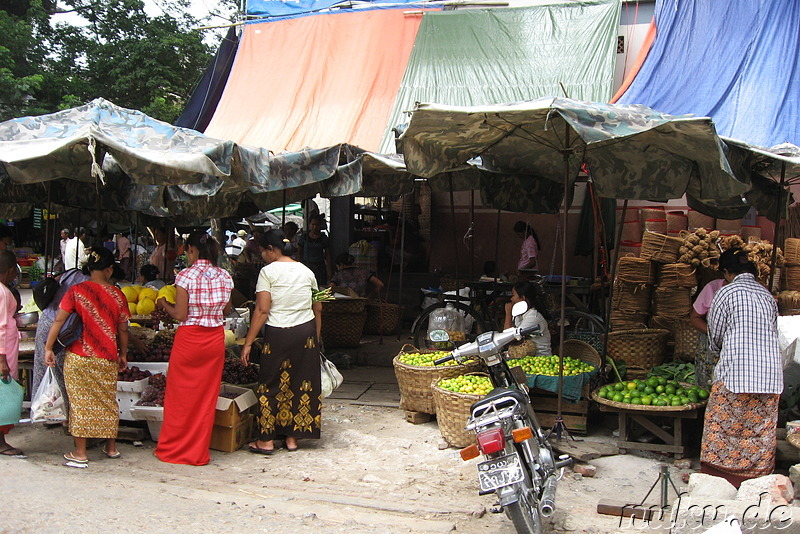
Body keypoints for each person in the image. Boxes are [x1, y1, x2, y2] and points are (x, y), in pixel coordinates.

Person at [700, 247, 783, 488]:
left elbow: (715, 335)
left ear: (726, 272)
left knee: (723, 425)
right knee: (759, 429)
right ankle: (756, 478)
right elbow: (773, 332)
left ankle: (720, 477)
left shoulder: (726, 293)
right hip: (769, 375)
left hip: (735, 372)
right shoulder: (767, 295)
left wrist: (720, 354)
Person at [44, 247, 130, 467]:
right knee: (108, 402)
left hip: (80, 357)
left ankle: (80, 453)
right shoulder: (118, 294)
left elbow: (58, 321)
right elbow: (123, 330)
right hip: (107, 356)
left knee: (80, 404)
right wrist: (123, 354)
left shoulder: (76, 290)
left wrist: (48, 347)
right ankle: (111, 448)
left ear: (89, 268)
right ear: (109, 269)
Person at [154, 231, 233, 466]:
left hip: (189, 340)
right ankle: (197, 453)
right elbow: (227, 311)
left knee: (179, 397)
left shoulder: (185, 277)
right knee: (205, 399)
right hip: (214, 340)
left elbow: (180, 314)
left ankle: (172, 449)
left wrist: (163, 304)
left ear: (191, 250)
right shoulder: (225, 276)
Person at [241, 229, 322, 454]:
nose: (262, 256)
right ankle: (292, 439)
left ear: (270, 249)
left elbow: (262, 309)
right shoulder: (308, 271)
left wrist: (248, 342)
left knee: (270, 384)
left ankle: (266, 440)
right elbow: (318, 307)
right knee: (299, 383)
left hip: (278, 333)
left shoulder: (267, 272)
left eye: (262, 251)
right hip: (305, 332)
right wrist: (316, 337)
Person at [32, 267, 89, 419]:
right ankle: (64, 415)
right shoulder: (88, 283)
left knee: (42, 367)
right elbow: (62, 318)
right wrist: (51, 345)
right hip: (64, 330)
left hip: (46, 320)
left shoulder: (71, 272)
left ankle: (41, 412)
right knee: (63, 373)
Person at [0, 250, 24, 457]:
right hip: (3, 351)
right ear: (8, 271)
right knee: (4, 396)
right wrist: (2, 359)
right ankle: (1, 442)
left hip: (6, 348)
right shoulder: (1, 292)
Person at [689, 276, 727, 388]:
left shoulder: (757, 290)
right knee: (708, 383)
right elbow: (695, 317)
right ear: (726, 273)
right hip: (711, 342)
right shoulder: (713, 287)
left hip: (736, 345)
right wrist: (715, 334)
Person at [503, 281, 552, 356]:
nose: (511, 299)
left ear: (522, 298)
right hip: (526, 357)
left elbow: (508, 338)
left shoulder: (533, 317)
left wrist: (508, 314)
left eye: (513, 295)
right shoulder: (520, 315)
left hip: (539, 358)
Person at [297, 214, 332, 287]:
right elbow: (299, 252)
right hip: (306, 265)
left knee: (320, 286)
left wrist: (329, 270)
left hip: (320, 267)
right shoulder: (304, 237)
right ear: (309, 225)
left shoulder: (324, 238)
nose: (315, 227)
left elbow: (328, 254)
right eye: (313, 224)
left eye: (317, 225)